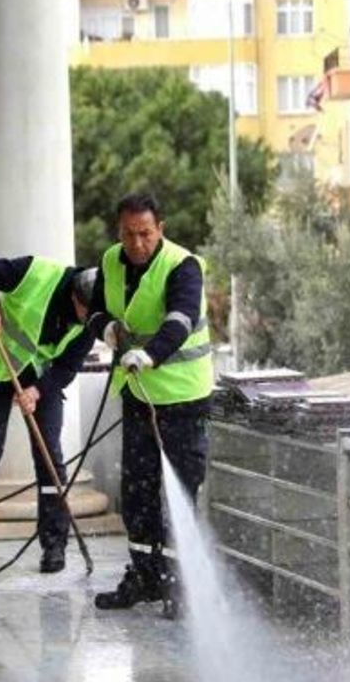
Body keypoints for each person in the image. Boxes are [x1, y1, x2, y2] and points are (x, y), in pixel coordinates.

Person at [88, 193, 214, 618]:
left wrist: (150, 354)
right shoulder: (110, 261)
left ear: (161, 227)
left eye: (145, 234)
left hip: (183, 398)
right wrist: (105, 328)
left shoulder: (184, 266)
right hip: (139, 397)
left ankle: (179, 587)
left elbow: (180, 320)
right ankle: (144, 577)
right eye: (128, 235)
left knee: (179, 491)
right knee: (137, 492)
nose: (137, 243)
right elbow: (96, 311)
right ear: (118, 231)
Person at [0, 255, 98, 574]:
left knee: (50, 455)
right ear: (74, 297)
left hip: (41, 378)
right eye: (85, 312)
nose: (88, 320)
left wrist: (36, 391)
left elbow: (67, 366)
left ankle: (54, 547)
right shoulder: (35, 274)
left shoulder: (92, 320)